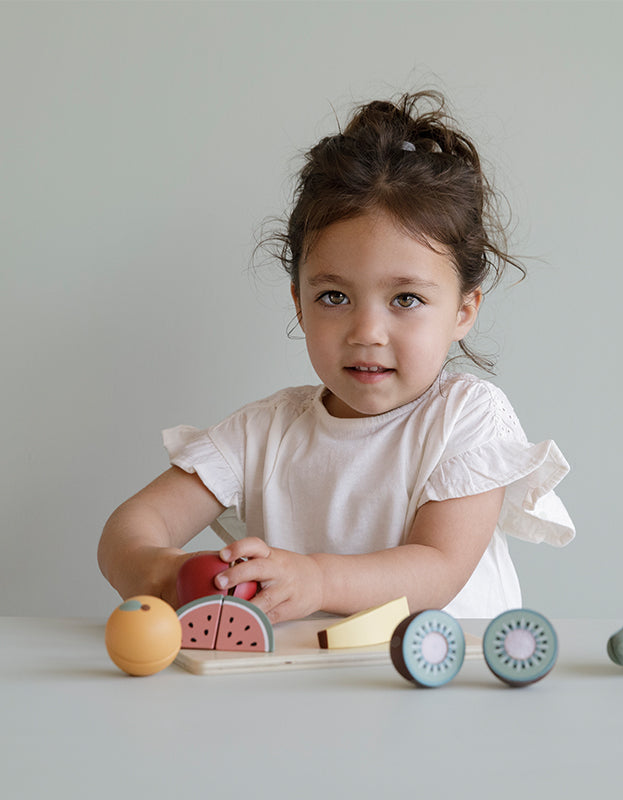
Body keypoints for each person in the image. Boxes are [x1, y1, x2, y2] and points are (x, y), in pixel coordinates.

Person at [98, 91, 575, 623]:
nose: (367, 332)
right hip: (309, 694)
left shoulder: (466, 417)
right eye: (334, 297)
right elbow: (131, 525)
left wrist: (317, 578)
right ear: (299, 304)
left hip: (451, 689)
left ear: (464, 311)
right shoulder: (263, 432)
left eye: (406, 299)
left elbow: (438, 568)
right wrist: (159, 570)